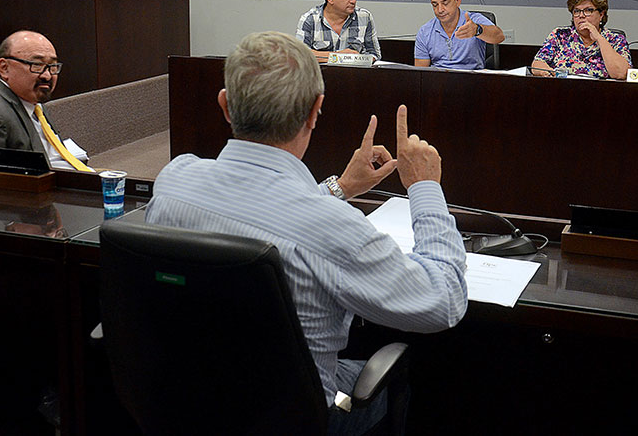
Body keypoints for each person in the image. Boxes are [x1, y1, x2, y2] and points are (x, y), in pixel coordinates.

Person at [145, 31, 467, 434]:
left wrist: (341, 189)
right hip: (294, 420)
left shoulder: (176, 181)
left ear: (225, 105)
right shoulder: (334, 230)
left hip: (184, 405)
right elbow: (445, 301)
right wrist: (424, 187)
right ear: (316, 111)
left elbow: (262, 213)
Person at [0, 30, 91, 171]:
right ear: (4, 68)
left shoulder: (34, 103)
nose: (47, 75)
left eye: (52, 66)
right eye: (37, 65)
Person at [531, 0, 631, 79]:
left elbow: (621, 74)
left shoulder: (616, 40)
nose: (581, 15)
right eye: (577, 11)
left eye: (588, 10)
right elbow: (537, 63)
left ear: (601, 14)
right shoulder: (560, 35)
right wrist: (548, 72)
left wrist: (599, 38)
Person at [414, 0, 505, 70]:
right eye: (435, 5)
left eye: (445, 3)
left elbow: (499, 36)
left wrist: (477, 30)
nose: (440, 10)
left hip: (472, 79)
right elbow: (420, 72)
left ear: (457, 1)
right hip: (439, 80)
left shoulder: (473, 20)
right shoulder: (425, 32)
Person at [296, 0, 381, 62]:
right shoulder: (310, 20)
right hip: (322, 74)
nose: (353, 1)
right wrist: (340, 57)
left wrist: (358, 59)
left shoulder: (364, 17)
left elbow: (374, 54)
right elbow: (300, 55)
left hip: (355, 74)